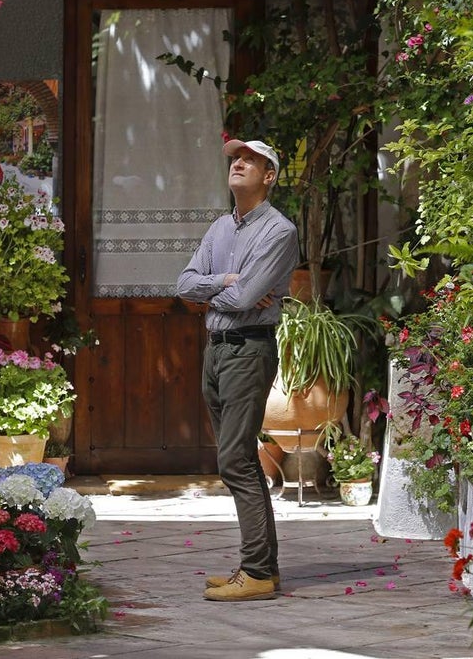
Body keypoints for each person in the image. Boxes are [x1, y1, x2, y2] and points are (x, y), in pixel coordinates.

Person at [176, 138, 299, 602]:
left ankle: (257, 573)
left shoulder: (279, 232)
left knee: (235, 460)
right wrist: (227, 281)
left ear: (269, 176)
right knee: (239, 460)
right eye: (235, 158)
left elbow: (247, 301)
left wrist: (224, 291)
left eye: (250, 160)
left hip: (249, 350)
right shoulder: (219, 230)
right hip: (217, 350)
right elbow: (184, 285)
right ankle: (261, 567)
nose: (239, 164)